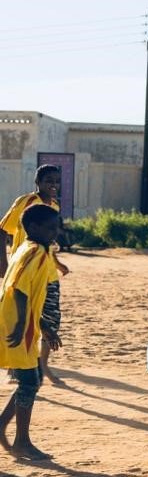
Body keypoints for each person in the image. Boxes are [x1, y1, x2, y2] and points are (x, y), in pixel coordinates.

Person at [0, 205, 63, 460]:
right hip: (18, 326)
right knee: (30, 380)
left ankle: (6, 428)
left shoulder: (35, 249)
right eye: (50, 228)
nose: (55, 232)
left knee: (32, 379)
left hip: (25, 325)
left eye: (56, 227)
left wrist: (44, 327)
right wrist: (22, 325)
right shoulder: (33, 252)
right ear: (34, 228)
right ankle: (22, 441)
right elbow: (20, 289)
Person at [0, 164, 70, 387]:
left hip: (46, 272)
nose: (53, 185)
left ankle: (41, 365)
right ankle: (19, 365)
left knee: (50, 319)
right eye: (49, 180)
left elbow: (50, 241)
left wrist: (57, 263)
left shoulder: (55, 206)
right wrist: (3, 263)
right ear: (38, 182)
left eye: (57, 181)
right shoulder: (26, 202)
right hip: (26, 268)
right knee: (23, 313)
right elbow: (2, 230)